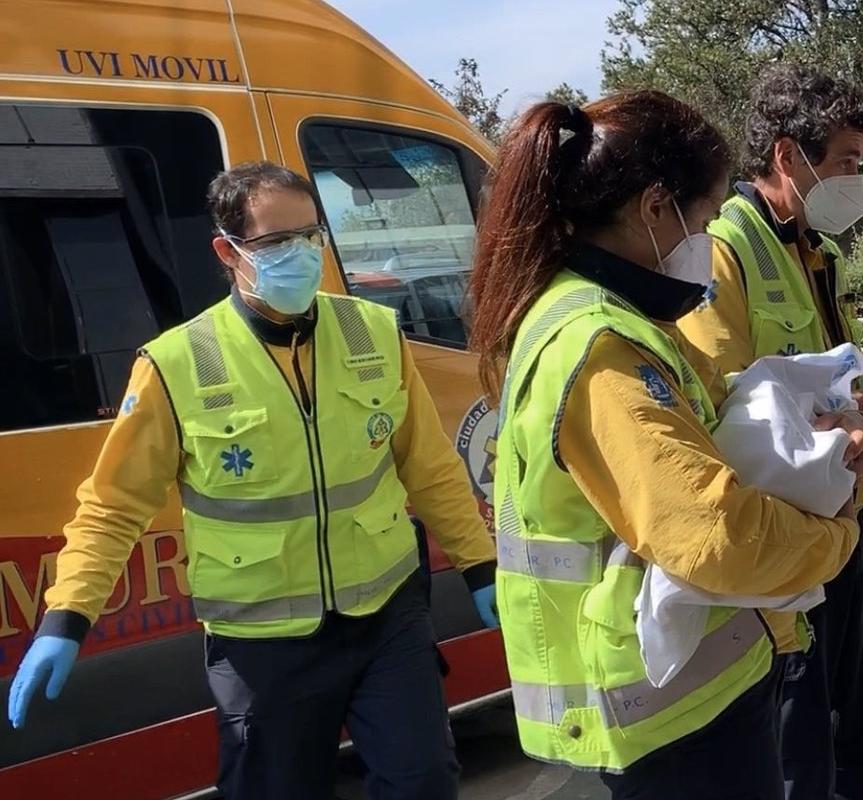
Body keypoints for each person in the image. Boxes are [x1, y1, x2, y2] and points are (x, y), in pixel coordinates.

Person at [5, 161, 499, 799]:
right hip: (262, 642)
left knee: (423, 780)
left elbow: (427, 467)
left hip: (386, 617)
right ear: (228, 250)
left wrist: (480, 565)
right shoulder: (179, 363)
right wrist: (66, 617)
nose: (299, 257)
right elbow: (113, 506)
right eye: (274, 244)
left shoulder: (371, 332)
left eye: (310, 238)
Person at [468, 91, 863, 800]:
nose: (708, 242)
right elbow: (714, 535)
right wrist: (836, 534)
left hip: (682, 688)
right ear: (655, 209)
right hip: (667, 708)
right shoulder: (597, 345)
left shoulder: (611, 321)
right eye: (707, 217)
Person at [676, 64, 863, 800]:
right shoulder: (722, 254)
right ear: (787, 156)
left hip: (842, 522)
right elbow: (724, 407)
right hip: (785, 537)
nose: (856, 182)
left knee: (858, 727)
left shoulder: (816, 253)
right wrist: (854, 416)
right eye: (848, 164)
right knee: (801, 742)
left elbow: (827, 373)